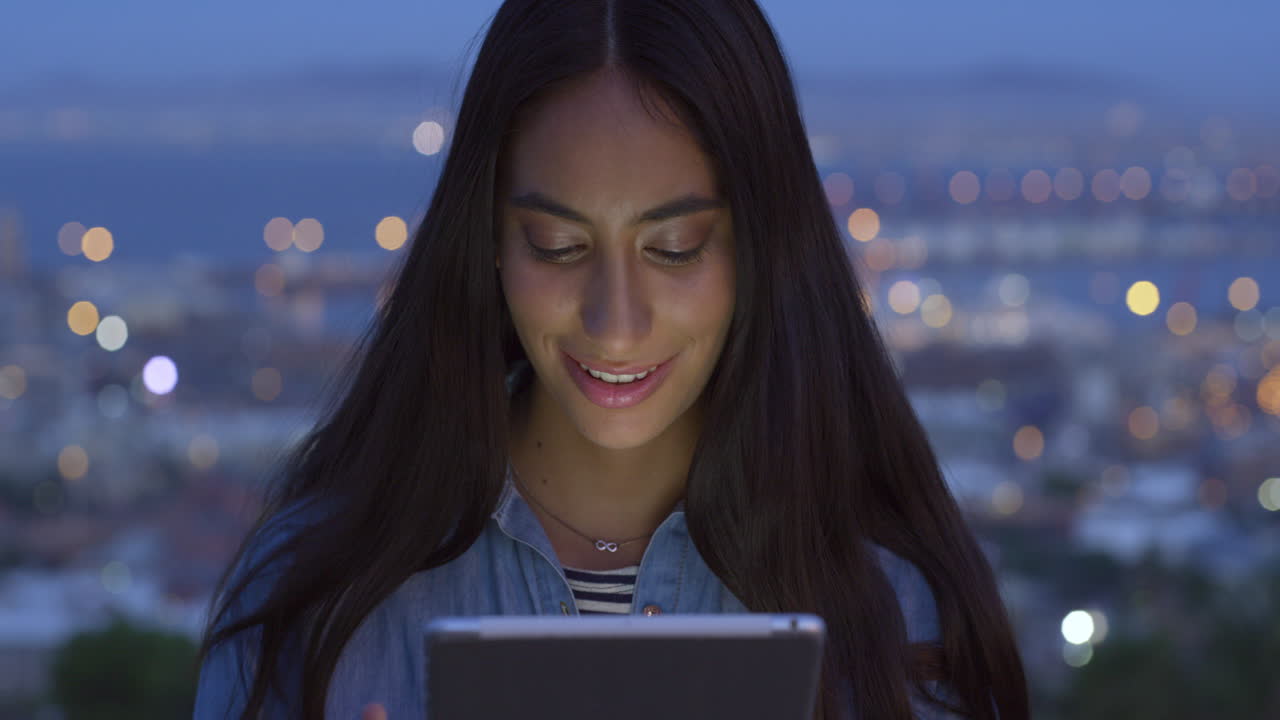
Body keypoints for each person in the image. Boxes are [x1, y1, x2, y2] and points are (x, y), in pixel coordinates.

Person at [192, 1, 1029, 718]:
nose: (616, 325)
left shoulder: (894, 605)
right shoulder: (313, 600)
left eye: (675, 247)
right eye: (557, 246)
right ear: (486, 238)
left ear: (761, 249)